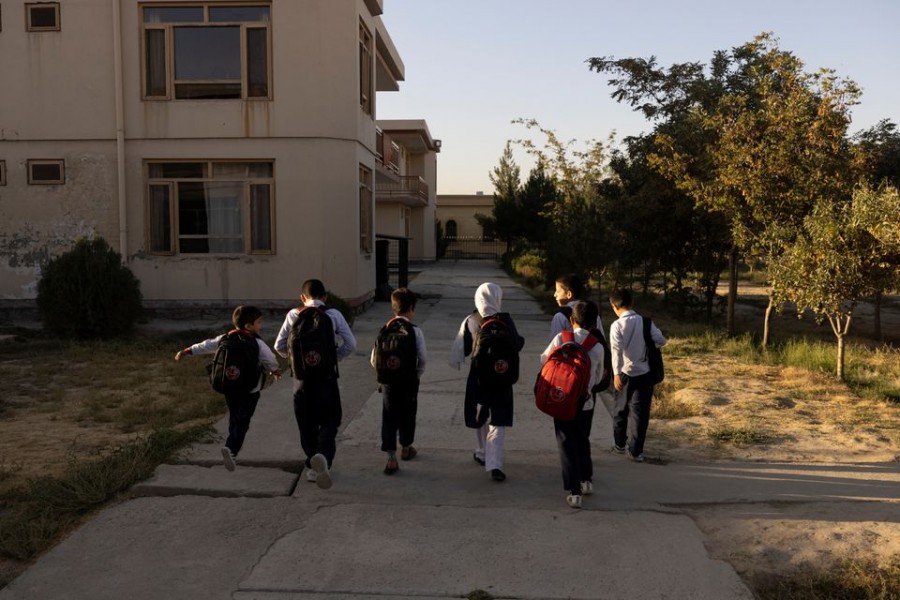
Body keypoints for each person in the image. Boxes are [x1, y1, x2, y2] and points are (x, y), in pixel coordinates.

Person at [174, 305, 282, 472]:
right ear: (248, 326)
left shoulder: (225, 338)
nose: (261, 325)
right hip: (250, 389)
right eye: (259, 322)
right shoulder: (257, 342)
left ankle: (231, 443)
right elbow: (270, 359)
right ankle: (231, 449)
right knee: (243, 420)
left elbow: (205, 345)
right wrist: (275, 370)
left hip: (229, 386)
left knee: (234, 415)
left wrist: (187, 351)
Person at [275, 279, 356, 489]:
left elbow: (279, 346)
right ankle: (323, 457)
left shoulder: (294, 315)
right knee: (330, 421)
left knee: (306, 422)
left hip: (301, 380)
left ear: (302, 298)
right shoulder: (334, 315)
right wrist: (332, 358)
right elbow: (350, 344)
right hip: (326, 378)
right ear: (325, 297)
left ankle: (312, 465)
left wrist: (296, 361)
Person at [449, 282, 525, 482]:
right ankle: (495, 465)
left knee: (480, 415)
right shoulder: (507, 321)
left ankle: (481, 452)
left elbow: (463, 350)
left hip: (479, 379)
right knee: (498, 421)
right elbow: (517, 344)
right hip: (503, 379)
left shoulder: (472, 319)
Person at [540, 301, 604, 508]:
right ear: (594, 323)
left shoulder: (561, 338)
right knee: (582, 439)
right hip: (585, 402)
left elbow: (544, 359)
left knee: (566, 442)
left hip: (563, 398)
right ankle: (586, 481)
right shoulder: (597, 346)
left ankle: (574, 491)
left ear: (570, 320)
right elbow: (599, 375)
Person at [371, 288, 427, 475]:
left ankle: (391, 458)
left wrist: (384, 375)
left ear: (393, 308)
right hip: (409, 382)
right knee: (408, 414)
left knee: (389, 417)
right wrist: (416, 375)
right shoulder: (415, 331)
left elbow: (373, 359)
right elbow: (423, 358)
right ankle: (406, 447)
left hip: (388, 383)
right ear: (411, 308)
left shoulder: (384, 329)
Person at [608, 288, 667, 462]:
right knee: (640, 413)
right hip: (644, 373)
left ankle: (619, 444)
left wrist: (616, 374)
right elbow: (661, 340)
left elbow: (616, 351)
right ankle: (636, 451)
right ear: (632, 303)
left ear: (614, 306)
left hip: (625, 374)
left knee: (620, 410)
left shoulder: (616, 325)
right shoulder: (646, 322)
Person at [550, 273, 604, 340]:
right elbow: (601, 339)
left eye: (558, 291)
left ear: (569, 294)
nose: (555, 295)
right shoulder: (593, 314)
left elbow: (555, 344)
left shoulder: (560, 317)